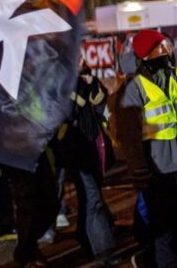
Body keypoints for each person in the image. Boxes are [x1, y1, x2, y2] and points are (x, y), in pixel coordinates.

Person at [117, 30, 177, 267]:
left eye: (167, 46)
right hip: (157, 171)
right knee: (165, 229)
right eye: (161, 47)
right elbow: (128, 136)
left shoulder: (174, 77)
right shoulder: (134, 88)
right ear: (146, 54)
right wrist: (139, 170)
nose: (167, 50)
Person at [62, 60, 117, 263]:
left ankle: (85, 237)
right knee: (93, 200)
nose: (81, 59)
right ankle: (104, 252)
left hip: (93, 148)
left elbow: (100, 101)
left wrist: (90, 81)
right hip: (77, 150)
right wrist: (82, 84)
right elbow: (73, 108)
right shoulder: (63, 83)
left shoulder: (87, 80)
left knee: (89, 199)